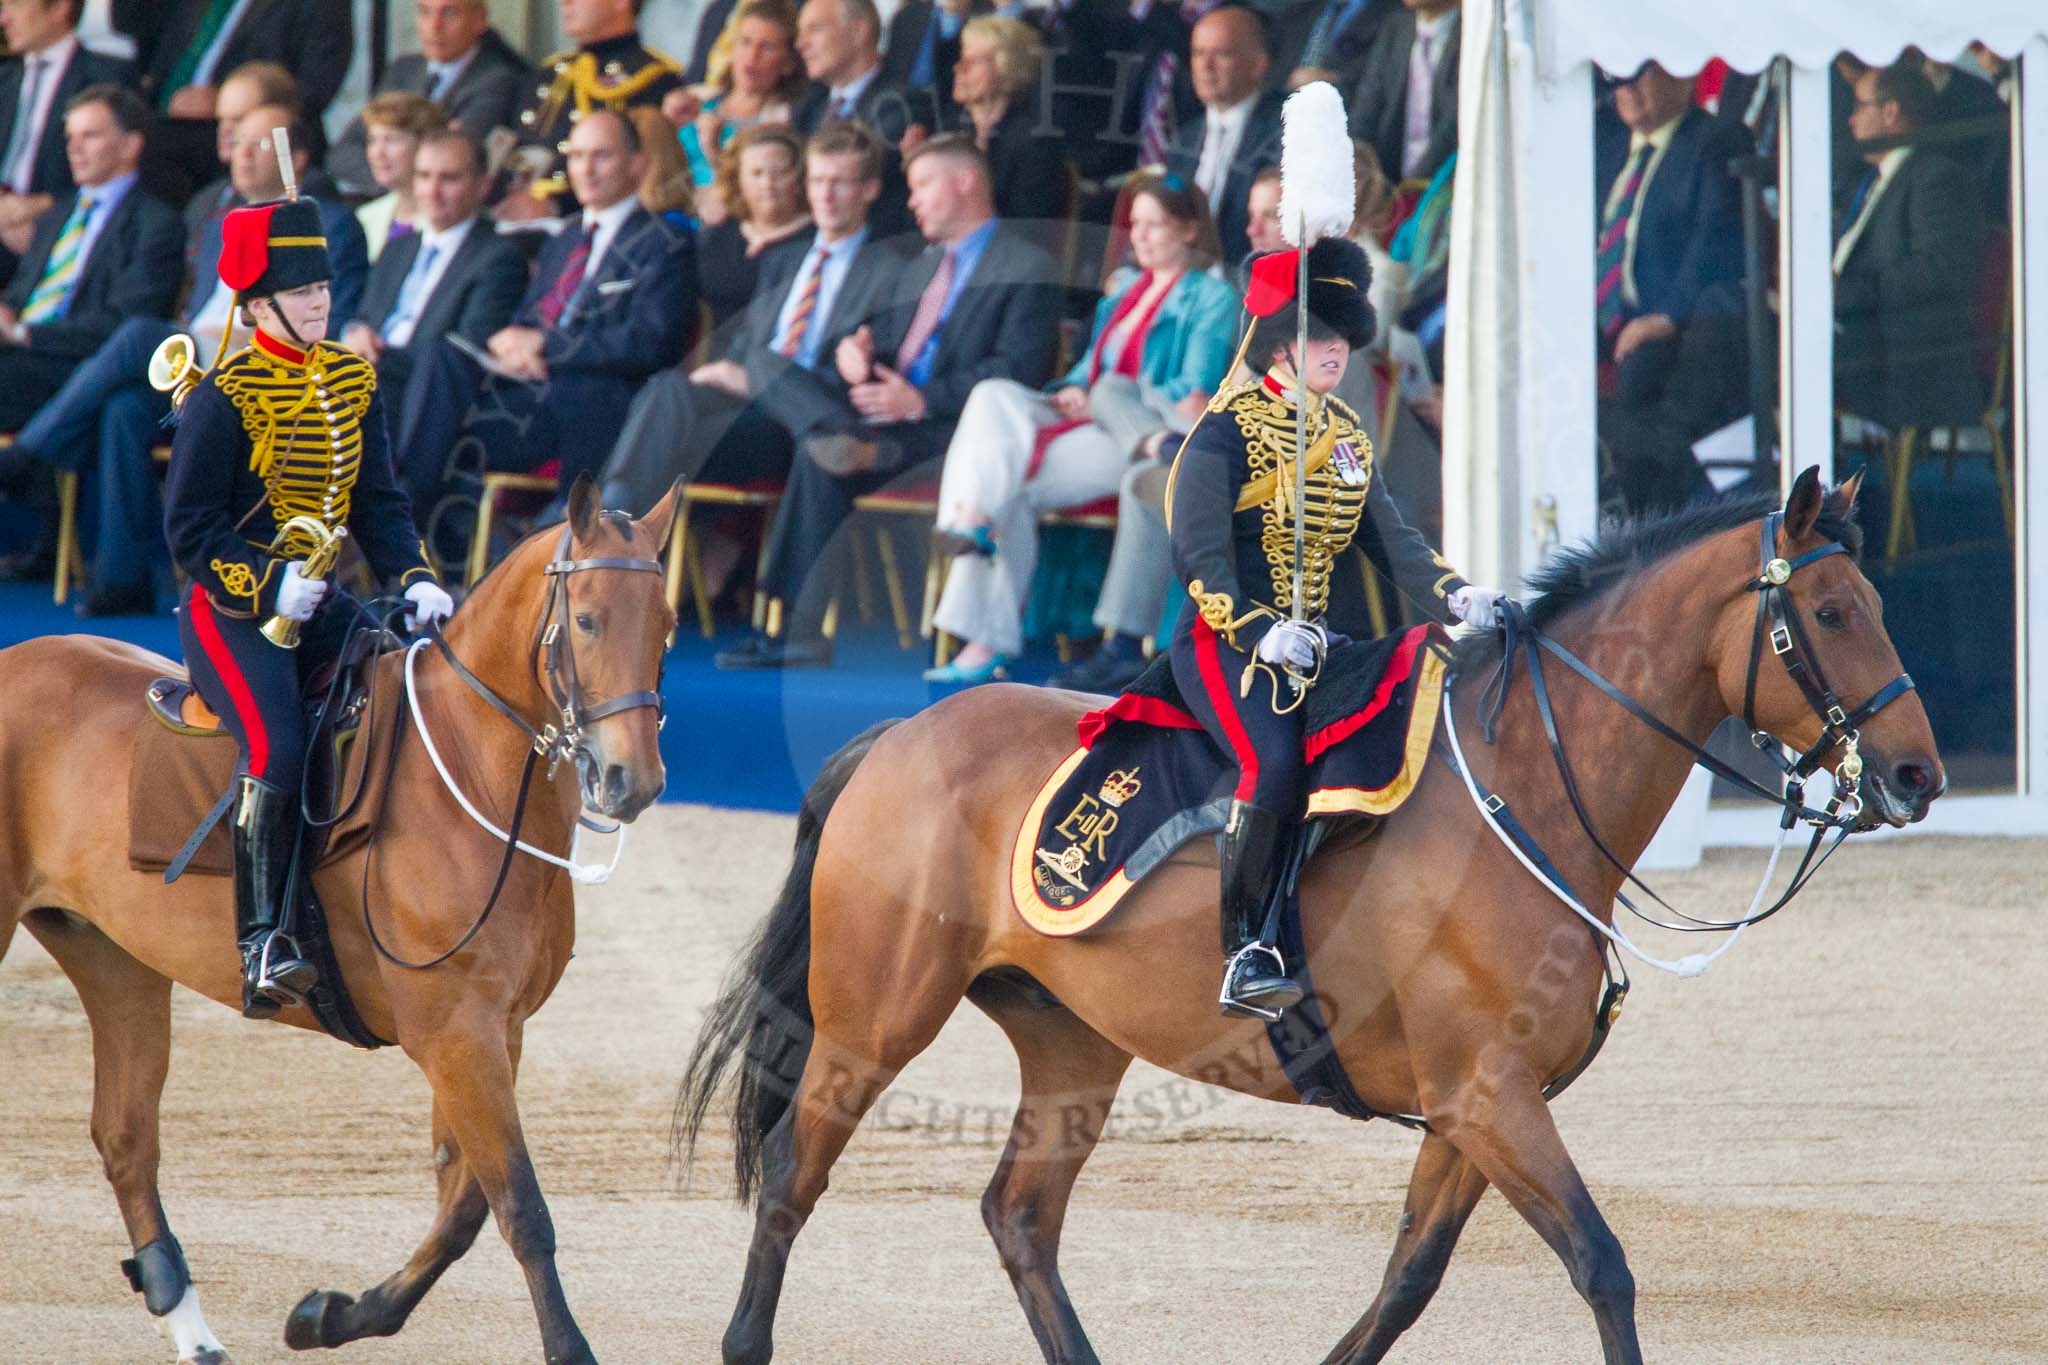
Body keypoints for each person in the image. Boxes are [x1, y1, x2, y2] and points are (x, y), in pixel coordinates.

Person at [1162, 234, 1502, 1016]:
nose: (1337, 352)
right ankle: (1246, 948)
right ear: (1277, 344)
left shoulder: (1346, 432)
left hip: (1315, 644)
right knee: (1274, 760)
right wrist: (1260, 632)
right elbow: (1198, 562)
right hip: (1228, 643)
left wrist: (1458, 595)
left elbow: (1394, 544)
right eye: (1320, 336)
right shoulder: (1221, 434)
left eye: (1345, 339)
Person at [160, 195, 451, 1019]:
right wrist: (264, 580)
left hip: (325, 599)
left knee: (402, 696)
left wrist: (416, 573)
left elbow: (380, 502)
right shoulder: (224, 395)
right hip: (234, 611)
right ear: (257, 307)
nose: (320, 301)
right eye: (302, 292)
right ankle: (262, 940)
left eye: (324, 286)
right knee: (278, 743)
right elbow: (190, 527)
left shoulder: (355, 379)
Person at [715, 133, 1059, 670]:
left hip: (960, 435)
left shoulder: (1026, 263)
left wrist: (920, 400)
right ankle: (796, 626)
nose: (913, 200)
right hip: (883, 420)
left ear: (965, 182)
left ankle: (793, 625)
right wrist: (858, 350)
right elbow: (887, 341)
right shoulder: (919, 265)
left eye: (923, 185)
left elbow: (1017, 370)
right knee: (799, 411)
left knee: (822, 448)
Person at [927, 171, 1235, 684]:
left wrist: (1103, 399)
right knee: (992, 397)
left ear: (1189, 231)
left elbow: (1193, 389)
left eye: (1155, 225)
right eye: (1135, 224)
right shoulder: (1124, 293)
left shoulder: (1211, 297)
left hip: (1145, 429)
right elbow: (1086, 368)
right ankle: (970, 521)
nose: (1139, 236)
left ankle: (980, 644)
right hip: (1084, 421)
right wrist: (1067, 391)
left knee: (1014, 487)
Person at [394, 108, 696, 523]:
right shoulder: (564, 238)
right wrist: (513, 340)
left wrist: (549, 348)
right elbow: (529, 320)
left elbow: (653, 339)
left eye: (601, 156)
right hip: (526, 399)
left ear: (637, 164)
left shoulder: (663, 240)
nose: (585, 170)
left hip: (595, 404)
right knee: (441, 358)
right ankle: (407, 512)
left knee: (456, 427)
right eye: (576, 156)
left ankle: (419, 530)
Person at [595, 121, 896, 533]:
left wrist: (753, 374)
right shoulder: (784, 261)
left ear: (870, 190)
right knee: (669, 389)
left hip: (805, 429)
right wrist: (733, 372)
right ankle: (614, 513)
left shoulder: (890, 268)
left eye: (840, 183)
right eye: (819, 180)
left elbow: (867, 374)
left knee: (760, 365)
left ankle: (610, 540)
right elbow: (742, 346)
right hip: (743, 419)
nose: (826, 195)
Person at [1833, 56, 1984, 436]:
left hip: (1900, 351)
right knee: (1740, 314)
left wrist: (1842, 294)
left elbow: (1938, 270)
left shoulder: (1937, 179)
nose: (1850, 120)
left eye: (1858, 107)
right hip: (1849, 329)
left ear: (1890, 112)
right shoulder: (1865, 180)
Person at [339, 128, 526, 409]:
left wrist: (378, 360)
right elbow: (365, 316)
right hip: (365, 376)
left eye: (448, 178)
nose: (432, 191)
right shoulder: (398, 248)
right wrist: (355, 332)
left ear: (483, 186)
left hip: (419, 395)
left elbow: (463, 351)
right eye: (424, 176)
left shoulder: (499, 257)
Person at [495, 0, 683, 220]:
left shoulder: (654, 79)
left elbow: (652, 177)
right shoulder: (547, 74)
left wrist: (555, 207)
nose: (566, 3)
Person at [325, 0, 532, 194]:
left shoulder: (499, 80)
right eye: (425, 12)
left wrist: (401, 178)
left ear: (479, 20)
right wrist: (395, 184)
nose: (435, 26)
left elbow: (452, 161)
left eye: (449, 13)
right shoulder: (403, 69)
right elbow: (343, 154)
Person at [0, 0, 134, 271]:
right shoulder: (4, 80)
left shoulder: (109, 78)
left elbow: (120, 174)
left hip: (64, 234)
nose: (4, 19)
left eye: (14, 5)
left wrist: (46, 207)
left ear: (59, 7)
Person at [1165, 5, 1284, 266]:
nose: (1205, 66)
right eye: (1198, 53)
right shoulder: (1184, 138)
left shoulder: (1284, 133)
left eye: (1221, 54)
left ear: (1257, 65)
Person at [664, 0, 803, 222]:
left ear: (787, 63)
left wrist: (715, 153)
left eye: (766, 46)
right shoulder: (693, 103)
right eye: (745, 42)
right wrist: (665, 126)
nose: (752, 55)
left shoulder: (782, 124)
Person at [938, 14, 1064, 224]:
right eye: (961, 58)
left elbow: (1027, 231)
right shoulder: (950, 130)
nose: (958, 68)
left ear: (1006, 69)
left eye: (972, 61)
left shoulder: (1034, 143)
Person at [693, 123, 813, 323]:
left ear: (800, 176)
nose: (768, 184)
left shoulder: (820, 240)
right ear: (738, 179)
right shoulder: (715, 235)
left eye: (780, 173)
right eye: (756, 174)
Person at [1346, 0, 1458, 185]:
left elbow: (1456, 124)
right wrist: (1360, 171)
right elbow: (1366, 110)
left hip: (1447, 187)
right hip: (1389, 189)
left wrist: (1414, 185)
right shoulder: (1396, 28)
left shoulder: (1475, 34)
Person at [352, 91, 448, 262]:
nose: (377, 153)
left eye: (391, 140)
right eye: (372, 140)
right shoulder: (366, 216)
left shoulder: (446, 218)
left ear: (424, 145)